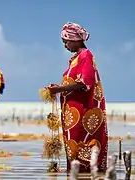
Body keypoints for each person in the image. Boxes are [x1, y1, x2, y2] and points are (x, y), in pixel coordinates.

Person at [47, 22, 108, 173]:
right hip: (74, 113)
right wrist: (59, 87)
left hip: (83, 112)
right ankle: (77, 173)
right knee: (74, 144)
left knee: (83, 142)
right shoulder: (77, 58)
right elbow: (74, 82)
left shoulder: (85, 56)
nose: (65, 45)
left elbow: (84, 83)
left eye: (66, 41)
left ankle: (84, 173)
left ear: (76, 39)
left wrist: (60, 89)